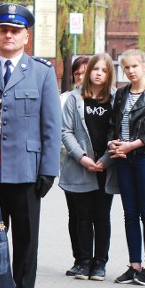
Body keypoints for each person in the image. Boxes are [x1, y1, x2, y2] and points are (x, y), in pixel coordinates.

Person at [0, 3, 61, 288]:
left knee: (26, 242)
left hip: (27, 171)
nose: (9, 35)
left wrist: (48, 169)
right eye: (3, 29)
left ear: (26, 36)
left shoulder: (41, 72)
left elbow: (51, 125)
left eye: (15, 31)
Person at [60, 53, 117, 281]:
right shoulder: (74, 99)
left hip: (105, 166)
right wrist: (82, 157)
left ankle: (100, 263)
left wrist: (106, 159)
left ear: (109, 74)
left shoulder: (115, 99)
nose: (98, 73)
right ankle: (83, 261)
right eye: (95, 69)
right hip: (80, 165)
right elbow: (66, 131)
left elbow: (117, 132)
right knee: (82, 216)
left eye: (104, 70)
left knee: (102, 216)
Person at [107, 49, 145, 286]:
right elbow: (113, 123)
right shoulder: (121, 94)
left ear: (144, 67)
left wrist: (131, 146)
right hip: (123, 159)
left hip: (144, 157)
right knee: (129, 213)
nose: (130, 71)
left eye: (135, 66)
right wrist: (113, 143)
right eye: (126, 68)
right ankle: (134, 265)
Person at [60, 55, 89, 276]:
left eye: (84, 73)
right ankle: (79, 257)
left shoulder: (103, 98)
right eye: (77, 73)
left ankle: (94, 259)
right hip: (70, 163)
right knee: (74, 214)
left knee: (93, 215)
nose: (80, 77)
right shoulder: (65, 99)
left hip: (95, 165)